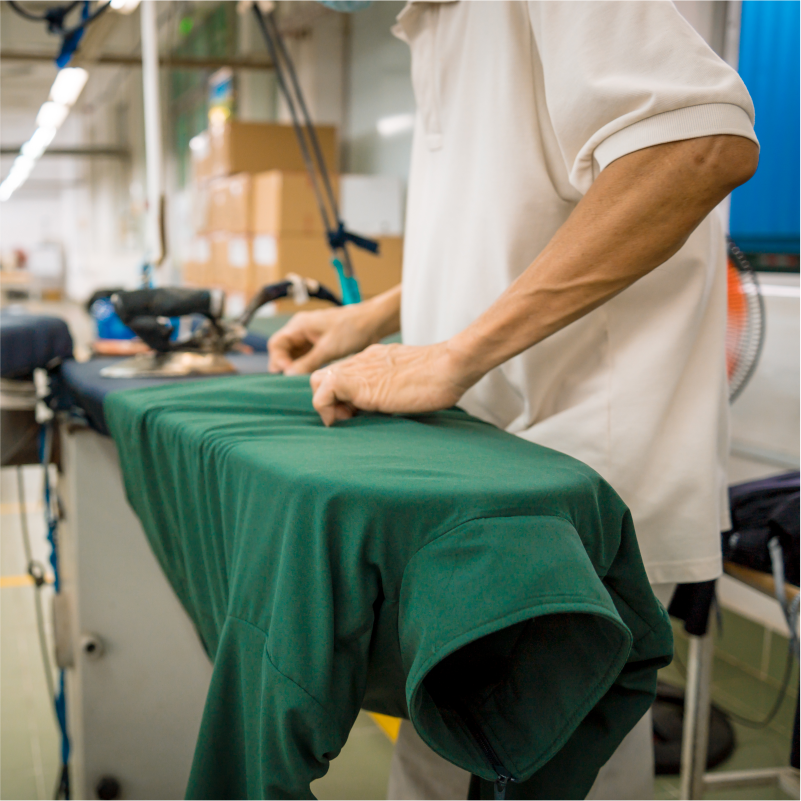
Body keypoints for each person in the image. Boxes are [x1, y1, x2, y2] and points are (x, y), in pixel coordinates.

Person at [268, 0, 759, 798]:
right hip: (495, 462)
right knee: (460, 743)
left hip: (578, 476)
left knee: (520, 756)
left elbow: (695, 146)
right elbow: (524, 226)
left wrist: (454, 355)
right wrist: (375, 315)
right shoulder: (436, 22)